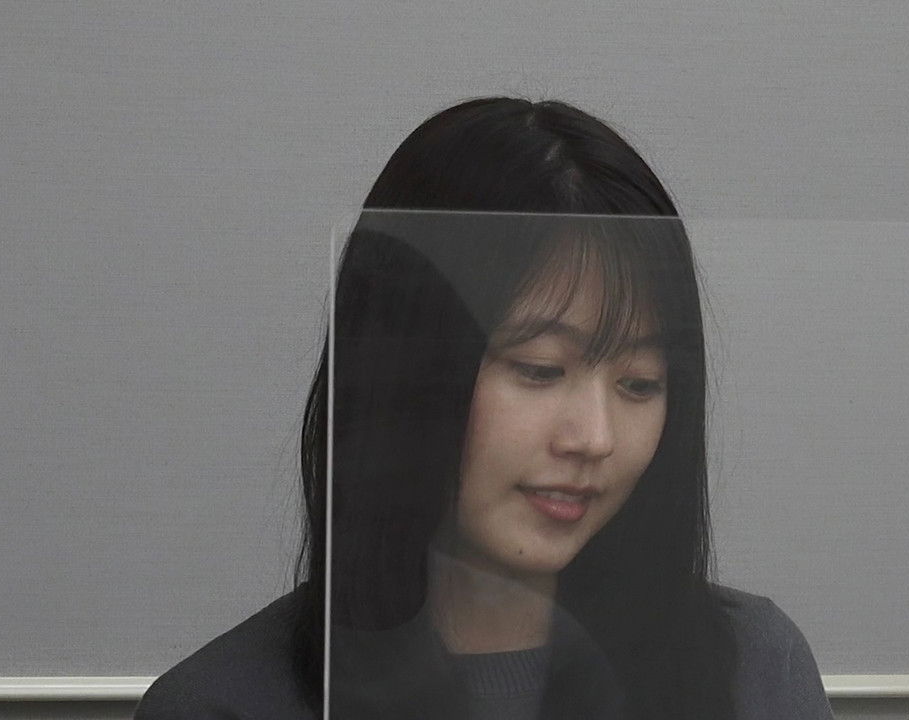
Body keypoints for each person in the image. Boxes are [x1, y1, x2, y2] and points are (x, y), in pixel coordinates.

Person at [134, 97, 834, 720]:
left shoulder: (754, 671)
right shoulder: (226, 704)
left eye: (640, 383)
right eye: (540, 370)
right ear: (406, 372)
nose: (595, 438)